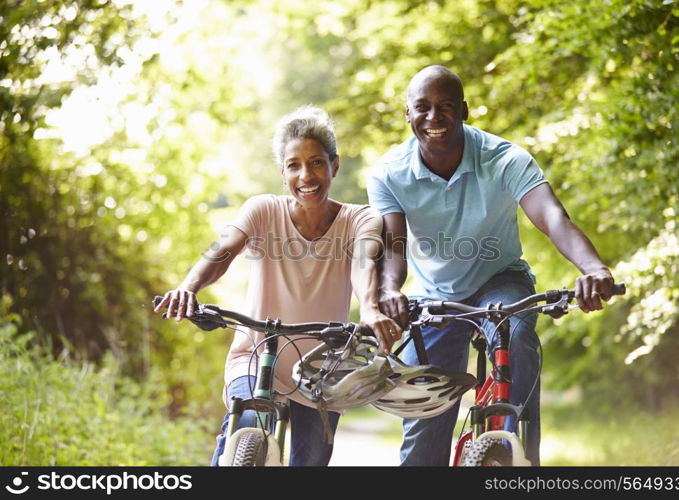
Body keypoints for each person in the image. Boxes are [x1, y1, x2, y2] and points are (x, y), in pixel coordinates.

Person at [367, 65, 616, 466]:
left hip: (500, 280)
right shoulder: (388, 173)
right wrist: (391, 289)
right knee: (424, 422)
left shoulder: (504, 158)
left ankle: (512, 444)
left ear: (464, 110)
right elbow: (393, 247)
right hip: (435, 294)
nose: (434, 118)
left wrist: (594, 268)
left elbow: (553, 218)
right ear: (407, 115)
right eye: (423, 108)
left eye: (445, 106)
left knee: (514, 333)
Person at [154, 105, 401, 466]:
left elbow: (364, 264)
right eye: (294, 165)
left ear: (335, 164)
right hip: (254, 356)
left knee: (311, 459)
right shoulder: (262, 210)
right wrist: (188, 287)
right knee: (248, 424)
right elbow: (221, 252)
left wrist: (370, 307)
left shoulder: (359, 218)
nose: (306, 175)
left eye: (316, 162)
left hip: (322, 371)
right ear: (283, 172)